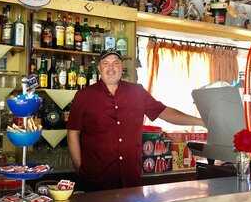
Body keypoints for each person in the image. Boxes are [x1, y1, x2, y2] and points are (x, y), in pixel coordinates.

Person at [67, 49, 203, 191]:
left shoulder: (137, 92)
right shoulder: (84, 96)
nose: (111, 68)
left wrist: (201, 121)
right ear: (99, 68)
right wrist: (80, 169)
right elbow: (72, 133)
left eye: (116, 63)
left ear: (122, 67)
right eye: (106, 63)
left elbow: (165, 112)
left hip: (130, 178)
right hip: (96, 180)